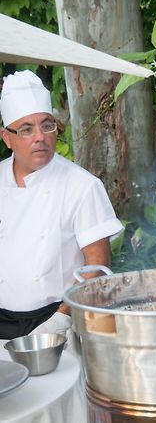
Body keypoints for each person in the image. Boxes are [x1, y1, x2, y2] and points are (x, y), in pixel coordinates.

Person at [0, 69, 123, 340]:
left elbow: (98, 266)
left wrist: (61, 319)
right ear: (7, 138)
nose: (40, 137)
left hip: (59, 318)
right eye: (26, 129)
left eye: (47, 125)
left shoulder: (81, 185)